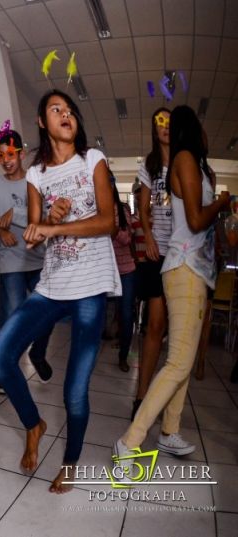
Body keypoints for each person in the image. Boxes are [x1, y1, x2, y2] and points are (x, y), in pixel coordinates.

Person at [0, 90, 120, 494]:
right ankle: (34, 424)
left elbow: (108, 221)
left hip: (90, 288)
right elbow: (34, 238)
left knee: (74, 390)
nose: (65, 114)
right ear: (43, 123)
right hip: (51, 285)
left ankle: (71, 461)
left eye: (69, 109)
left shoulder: (92, 159)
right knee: (0, 356)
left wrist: (54, 225)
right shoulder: (36, 175)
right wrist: (47, 217)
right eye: (55, 110)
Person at [114, 105, 230, 465]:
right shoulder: (184, 159)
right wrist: (223, 203)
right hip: (184, 268)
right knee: (178, 360)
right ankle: (130, 442)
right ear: (193, 128)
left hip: (194, 268)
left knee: (182, 356)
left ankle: (169, 432)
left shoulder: (192, 163)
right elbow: (196, 219)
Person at [0, 127, 54, 394]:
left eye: (10, 154)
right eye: (1, 155)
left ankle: (38, 353)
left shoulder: (34, 181)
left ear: (20, 154)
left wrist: (19, 212)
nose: (6, 160)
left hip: (37, 260)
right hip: (11, 262)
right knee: (11, 320)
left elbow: (47, 219)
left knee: (47, 313)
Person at [133, 107, 172, 419]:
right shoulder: (150, 164)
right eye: (159, 121)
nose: (165, 126)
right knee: (155, 326)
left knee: (175, 331)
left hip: (183, 253)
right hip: (157, 252)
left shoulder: (187, 162)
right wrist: (149, 237)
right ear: (153, 127)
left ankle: (166, 401)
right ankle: (141, 395)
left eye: (170, 121)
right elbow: (144, 208)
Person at [110, 176, 136, 373]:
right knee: (95, 314)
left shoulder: (123, 209)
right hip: (103, 271)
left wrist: (113, 231)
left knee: (126, 315)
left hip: (126, 270)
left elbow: (127, 238)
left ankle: (123, 356)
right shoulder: (93, 208)